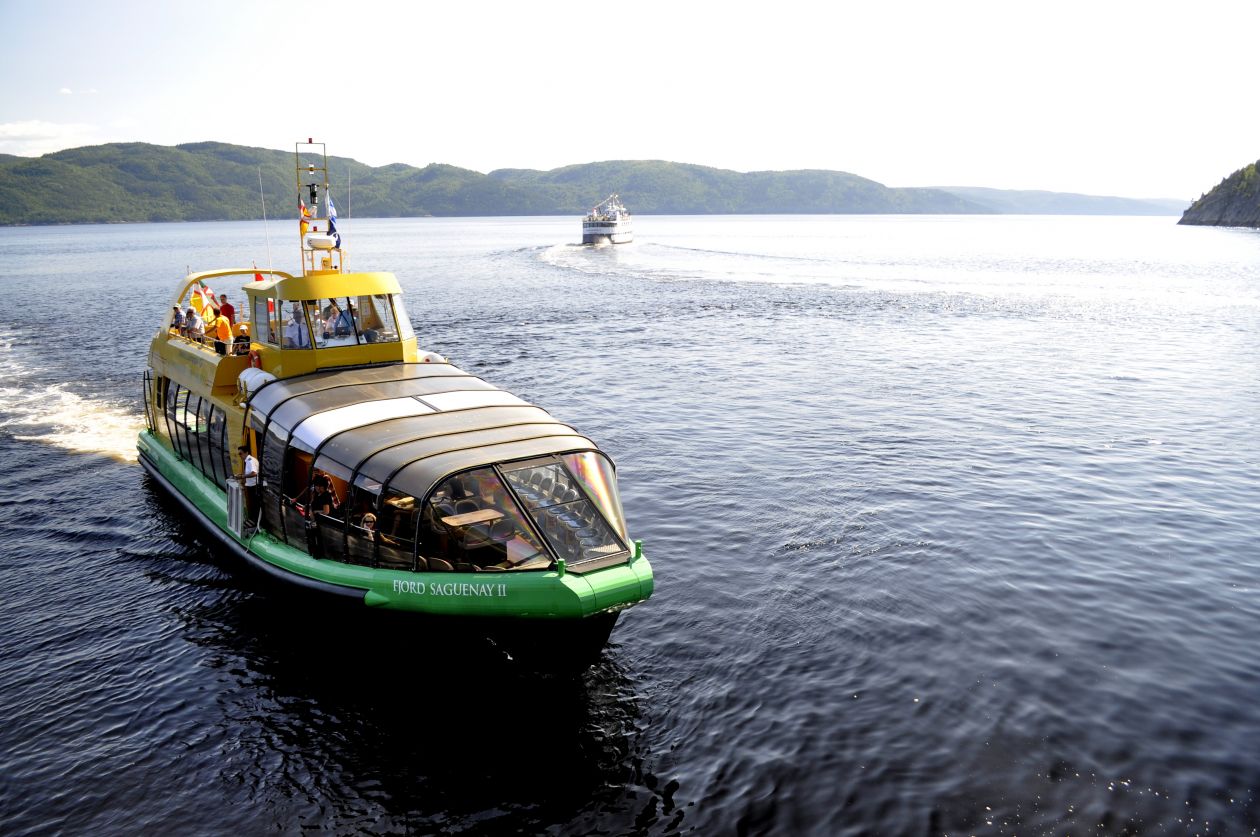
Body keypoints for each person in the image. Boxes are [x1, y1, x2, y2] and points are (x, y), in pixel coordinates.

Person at [235, 445, 259, 525]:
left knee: (254, 505)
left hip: (253, 486)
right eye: (239, 454)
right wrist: (242, 475)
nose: (240, 456)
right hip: (251, 485)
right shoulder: (249, 460)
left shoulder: (250, 461)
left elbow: (254, 473)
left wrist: (242, 476)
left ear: (246, 453)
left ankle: (255, 522)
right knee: (253, 504)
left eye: (240, 454)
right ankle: (254, 520)